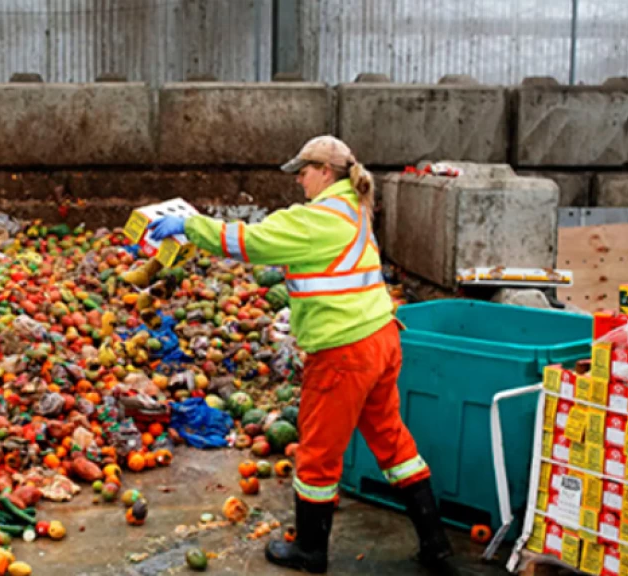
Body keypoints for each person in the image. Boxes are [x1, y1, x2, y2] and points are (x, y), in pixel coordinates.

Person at [148, 135, 461, 575]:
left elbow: (252, 241)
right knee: (393, 442)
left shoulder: (319, 218)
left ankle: (311, 551)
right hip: (381, 338)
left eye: (304, 170)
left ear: (325, 172)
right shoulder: (354, 208)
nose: (299, 179)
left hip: (344, 352)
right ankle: (436, 545)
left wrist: (190, 226)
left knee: (317, 452)